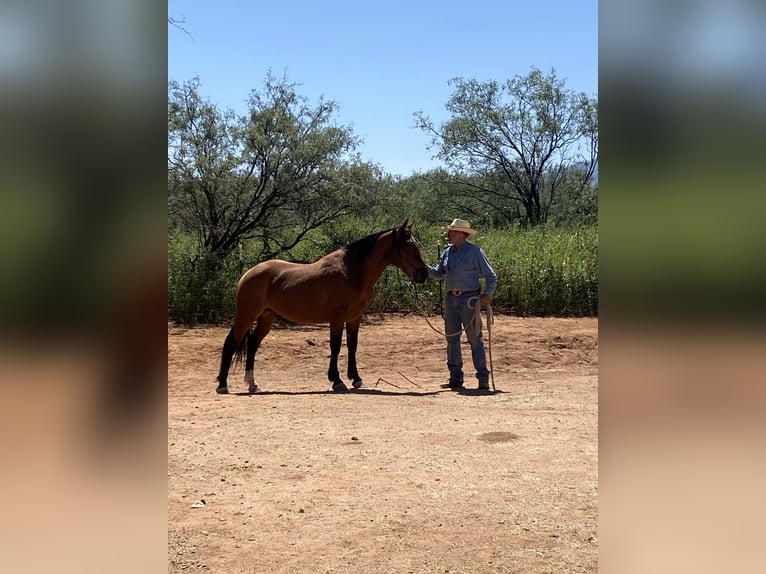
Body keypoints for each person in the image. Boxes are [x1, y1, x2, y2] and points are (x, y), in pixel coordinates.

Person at [427, 218, 498, 391]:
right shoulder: (447, 252)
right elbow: (438, 274)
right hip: (451, 299)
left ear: (461, 233)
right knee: (452, 339)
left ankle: (482, 377)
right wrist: (422, 267)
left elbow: (491, 276)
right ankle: (455, 377)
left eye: (452, 232)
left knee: (475, 339)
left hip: (469, 300)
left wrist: (487, 295)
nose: (449, 234)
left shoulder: (475, 252)